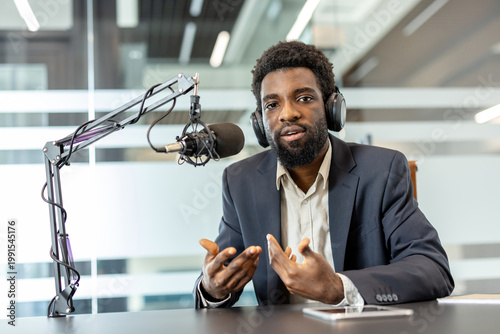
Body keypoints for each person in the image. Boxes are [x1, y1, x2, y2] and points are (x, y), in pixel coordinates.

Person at [193, 41, 454, 308]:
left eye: (304, 98)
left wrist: (340, 288)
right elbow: (226, 271)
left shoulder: (381, 171)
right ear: (259, 122)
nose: (288, 114)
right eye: (272, 104)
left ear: (332, 108)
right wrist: (212, 288)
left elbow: (432, 269)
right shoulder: (241, 182)